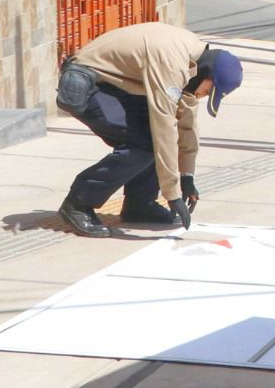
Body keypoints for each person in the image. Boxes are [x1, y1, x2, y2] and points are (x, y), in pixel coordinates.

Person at [56, 24, 243, 237]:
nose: (204, 95)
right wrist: (172, 194)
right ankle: (78, 203)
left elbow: (187, 121)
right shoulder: (172, 63)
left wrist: (187, 176)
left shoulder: (193, 60)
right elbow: (164, 126)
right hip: (88, 84)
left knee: (150, 140)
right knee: (144, 144)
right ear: (207, 75)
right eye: (208, 91)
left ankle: (139, 205)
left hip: (116, 86)